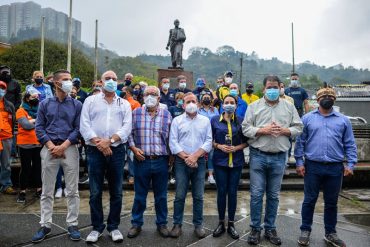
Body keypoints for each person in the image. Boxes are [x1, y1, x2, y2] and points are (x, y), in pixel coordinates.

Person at [242, 75, 303, 245]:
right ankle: (255, 228)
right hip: (258, 156)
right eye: (269, 87)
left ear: (280, 88)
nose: (272, 90)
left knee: (274, 195)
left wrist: (285, 130)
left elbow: (299, 127)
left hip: (279, 157)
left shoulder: (289, 107)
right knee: (256, 194)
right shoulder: (253, 107)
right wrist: (263, 130)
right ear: (263, 89)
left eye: (275, 87)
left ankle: (270, 227)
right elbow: (246, 128)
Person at [295, 86, 357, 247]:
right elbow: (300, 143)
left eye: (330, 96)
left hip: (335, 167)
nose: (327, 98)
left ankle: (330, 233)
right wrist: (299, 162)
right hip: (313, 166)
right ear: (318, 99)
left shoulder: (343, 120)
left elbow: (350, 144)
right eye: (324, 96)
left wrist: (350, 164)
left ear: (334, 99)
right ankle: (305, 230)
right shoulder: (307, 119)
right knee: (309, 200)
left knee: (331, 202)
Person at [80, 70, 132, 243]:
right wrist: (99, 143)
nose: (111, 81)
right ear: (101, 82)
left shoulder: (123, 103)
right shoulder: (90, 101)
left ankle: (113, 227)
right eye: (107, 78)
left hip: (116, 150)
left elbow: (126, 128)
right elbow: (84, 125)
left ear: (118, 82)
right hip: (95, 150)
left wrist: (109, 141)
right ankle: (96, 227)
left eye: (114, 79)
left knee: (116, 191)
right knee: (95, 191)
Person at [33, 70, 82, 243]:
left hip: (69, 148)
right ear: (55, 83)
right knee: (47, 190)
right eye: (65, 80)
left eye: (70, 79)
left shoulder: (77, 105)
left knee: (72, 190)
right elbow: (39, 127)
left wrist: (64, 146)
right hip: (50, 148)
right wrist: (51, 145)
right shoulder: (45, 104)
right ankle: (45, 224)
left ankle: (73, 224)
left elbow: (78, 129)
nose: (70, 82)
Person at [126, 86, 172, 238]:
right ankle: (136, 224)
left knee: (161, 196)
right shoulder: (136, 113)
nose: (150, 96)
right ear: (142, 97)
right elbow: (129, 133)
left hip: (161, 161)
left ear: (159, 98)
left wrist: (171, 156)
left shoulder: (166, 115)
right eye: (147, 94)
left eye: (153, 94)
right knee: (140, 195)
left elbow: (171, 138)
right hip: (142, 160)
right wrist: (133, 148)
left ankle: (162, 223)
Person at [169, 92, 212, 239]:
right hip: (181, 162)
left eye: (193, 101)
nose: (191, 104)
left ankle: (198, 225)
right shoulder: (177, 120)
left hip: (199, 162)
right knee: (180, 195)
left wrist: (195, 156)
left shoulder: (205, 121)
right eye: (188, 102)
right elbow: (173, 142)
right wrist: (187, 157)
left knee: (198, 196)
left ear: (198, 103)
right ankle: (177, 224)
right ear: (183, 104)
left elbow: (208, 141)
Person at [211, 95, 248, 239]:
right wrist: (219, 146)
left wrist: (236, 148)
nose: (229, 105)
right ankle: (221, 222)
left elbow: (247, 142)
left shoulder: (241, 121)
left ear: (236, 105)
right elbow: (210, 140)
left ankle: (231, 223)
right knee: (221, 191)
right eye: (226, 102)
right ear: (222, 105)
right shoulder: (214, 120)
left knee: (232, 192)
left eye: (232, 103)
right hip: (220, 161)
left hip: (237, 161)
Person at [16, 90, 42, 203]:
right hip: (25, 144)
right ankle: (22, 191)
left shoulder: (40, 110)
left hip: (38, 144)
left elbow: (44, 122)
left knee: (38, 167)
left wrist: (33, 121)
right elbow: (26, 125)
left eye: (37, 96)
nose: (36, 98)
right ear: (27, 98)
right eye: (33, 96)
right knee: (25, 168)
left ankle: (39, 189)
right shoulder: (20, 111)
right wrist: (37, 121)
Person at [198, 92, 219, 184]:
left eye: (208, 97)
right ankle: (200, 175)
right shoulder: (198, 110)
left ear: (211, 100)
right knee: (200, 154)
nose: (206, 99)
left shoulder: (215, 110)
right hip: (200, 135)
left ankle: (210, 175)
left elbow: (218, 122)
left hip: (212, 134)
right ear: (201, 100)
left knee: (211, 155)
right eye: (204, 97)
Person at [121, 86, 141, 185]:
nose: (121, 92)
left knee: (130, 155)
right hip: (119, 133)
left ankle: (132, 175)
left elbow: (136, 120)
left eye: (123, 91)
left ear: (128, 92)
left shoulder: (135, 103)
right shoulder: (119, 102)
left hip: (130, 133)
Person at [0, 80, 16, 195]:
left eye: (2, 88)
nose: (1, 90)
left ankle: (6, 185)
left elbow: (13, 122)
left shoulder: (9, 105)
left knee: (6, 163)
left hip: (6, 137)